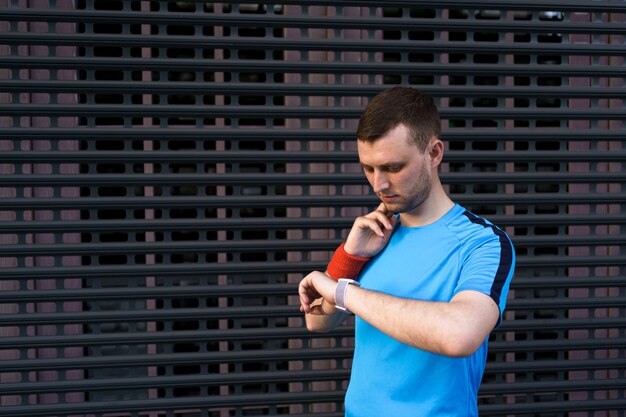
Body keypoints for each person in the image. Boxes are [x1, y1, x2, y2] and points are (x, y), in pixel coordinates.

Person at [298, 86, 515, 416]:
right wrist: (350, 257)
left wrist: (344, 290)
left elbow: (459, 335)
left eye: (393, 168)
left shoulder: (481, 243)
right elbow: (318, 322)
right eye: (368, 168)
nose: (378, 185)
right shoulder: (377, 233)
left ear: (434, 153)